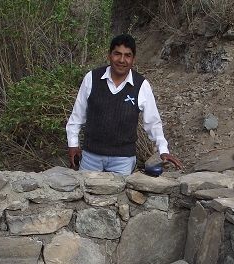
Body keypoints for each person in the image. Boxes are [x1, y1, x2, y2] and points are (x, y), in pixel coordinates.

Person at [66, 34, 183, 175]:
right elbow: (77, 116)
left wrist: (163, 150)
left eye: (127, 55)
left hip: (123, 161)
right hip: (91, 157)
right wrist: (73, 144)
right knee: (86, 189)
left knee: (121, 190)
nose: (122, 60)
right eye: (117, 54)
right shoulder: (92, 78)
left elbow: (153, 123)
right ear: (109, 55)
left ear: (133, 59)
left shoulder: (141, 85)